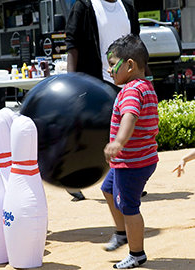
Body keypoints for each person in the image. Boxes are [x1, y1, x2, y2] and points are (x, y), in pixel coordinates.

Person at [65, 0, 140, 201]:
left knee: (124, 132)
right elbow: (72, 45)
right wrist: (71, 81)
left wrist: (144, 77)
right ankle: (72, 178)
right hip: (95, 80)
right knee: (91, 134)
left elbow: (137, 44)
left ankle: (128, 181)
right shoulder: (85, 6)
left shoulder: (128, 7)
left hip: (125, 81)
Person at [101, 34, 159, 269]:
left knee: (129, 207)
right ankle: (122, 232)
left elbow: (130, 117)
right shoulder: (145, 86)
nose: (109, 70)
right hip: (136, 159)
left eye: (113, 64)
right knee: (107, 190)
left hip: (132, 162)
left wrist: (119, 142)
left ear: (130, 65)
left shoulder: (132, 91)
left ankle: (137, 253)